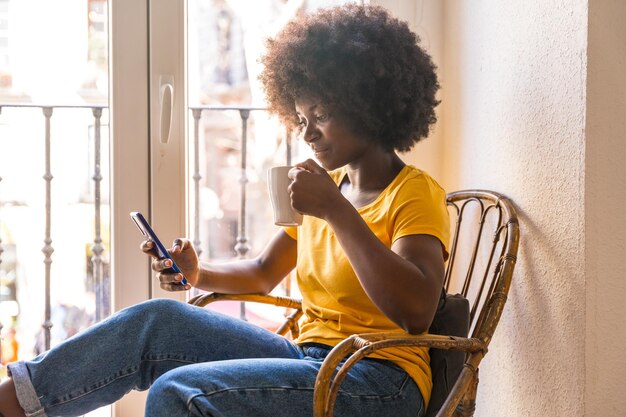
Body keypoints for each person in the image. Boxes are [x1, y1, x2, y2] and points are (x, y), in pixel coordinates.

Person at [0, 4, 449, 417]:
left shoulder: (412, 193)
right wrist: (198, 272)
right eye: (301, 118)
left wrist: (335, 211)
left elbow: (416, 312)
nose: (308, 133)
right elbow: (261, 272)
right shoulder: (329, 190)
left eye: (321, 113)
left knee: (179, 391)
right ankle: (15, 402)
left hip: (380, 380)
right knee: (154, 322)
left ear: (368, 102)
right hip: (310, 358)